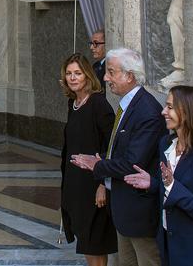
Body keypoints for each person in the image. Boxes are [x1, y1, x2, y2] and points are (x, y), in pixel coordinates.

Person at [71, 48, 166, 266]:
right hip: (124, 211)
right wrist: (102, 159)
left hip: (139, 214)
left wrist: (98, 165)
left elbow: (132, 162)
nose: (105, 77)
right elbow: (120, 150)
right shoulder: (128, 104)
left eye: (111, 72)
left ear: (129, 76)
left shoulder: (147, 111)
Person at [125, 85, 193, 266]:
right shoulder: (165, 144)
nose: (164, 111)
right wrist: (154, 184)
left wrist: (172, 186)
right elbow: (170, 189)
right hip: (169, 250)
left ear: (188, 113)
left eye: (170, 107)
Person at [59, 54, 116, 265]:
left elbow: (111, 145)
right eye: (69, 73)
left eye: (78, 73)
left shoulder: (98, 104)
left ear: (87, 76)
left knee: (95, 243)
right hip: (76, 186)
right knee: (86, 241)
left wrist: (103, 183)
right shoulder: (73, 103)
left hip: (94, 186)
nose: (73, 78)